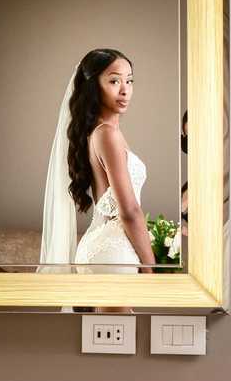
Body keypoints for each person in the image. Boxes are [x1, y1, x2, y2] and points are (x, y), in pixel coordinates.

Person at [40, 49, 155, 274]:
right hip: (113, 253)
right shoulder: (106, 134)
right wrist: (151, 266)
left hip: (108, 248)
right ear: (94, 87)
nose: (125, 90)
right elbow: (129, 210)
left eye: (129, 81)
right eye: (114, 81)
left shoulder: (102, 132)